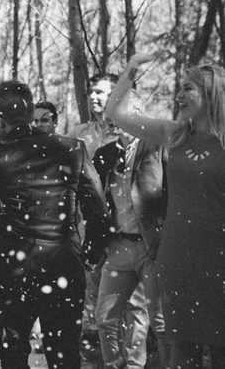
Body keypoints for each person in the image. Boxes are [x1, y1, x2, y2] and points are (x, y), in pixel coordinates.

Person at [0, 81, 111, 369]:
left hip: (15, 268)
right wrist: (92, 254)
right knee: (64, 354)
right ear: (31, 110)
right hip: (64, 265)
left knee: (14, 354)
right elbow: (98, 210)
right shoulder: (72, 148)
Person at [106, 54, 225, 369]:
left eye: (188, 89)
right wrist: (130, 69)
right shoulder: (173, 134)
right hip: (177, 259)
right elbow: (116, 112)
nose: (179, 96)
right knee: (179, 350)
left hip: (220, 260)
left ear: (211, 92)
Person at [68, 72, 150, 354]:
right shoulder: (85, 137)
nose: (94, 97)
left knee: (135, 307)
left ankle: (136, 358)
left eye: (102, 93)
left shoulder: (144, 142)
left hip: (137, 236)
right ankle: (97, 354)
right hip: (95, 229)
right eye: (91, 91)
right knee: (99, 305)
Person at [92, 92, 169, 369]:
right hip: (117, 248)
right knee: (105, 319)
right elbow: (97, 201)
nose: (115, 117)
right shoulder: (105, 154)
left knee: (160, 323)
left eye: (122, 110)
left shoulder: (157, 148)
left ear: (138, 113)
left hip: (152, 247)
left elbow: (171, 195)